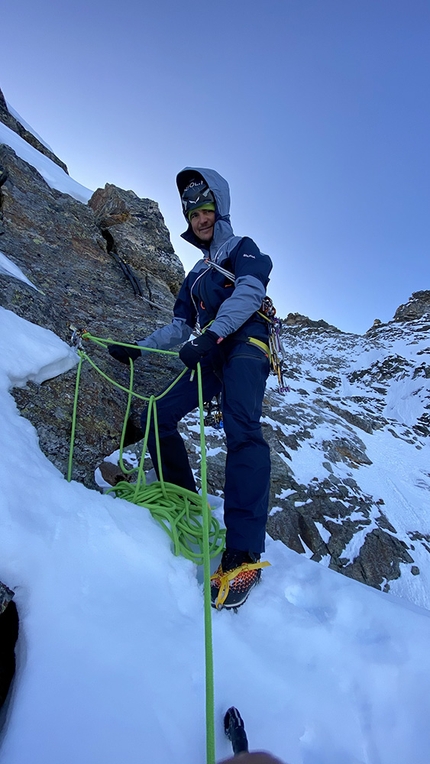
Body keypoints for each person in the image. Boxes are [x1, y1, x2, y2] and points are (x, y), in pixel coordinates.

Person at [109, 167, 272, 610]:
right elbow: (180, 326)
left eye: (206, 208)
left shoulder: (243, 249)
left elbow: (249, 295)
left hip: (244, 344)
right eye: (193, 212)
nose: (200, 218)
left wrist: (213, 335)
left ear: (220, 206)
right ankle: (182, 496)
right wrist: (137, 348)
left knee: (242, 430)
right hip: (211, 349)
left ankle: (244, 554)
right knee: (157, 414)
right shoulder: (196, 275)